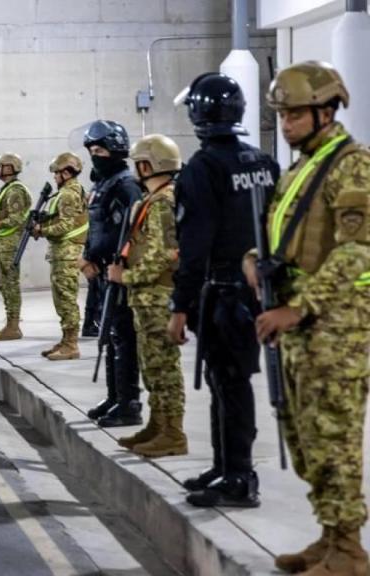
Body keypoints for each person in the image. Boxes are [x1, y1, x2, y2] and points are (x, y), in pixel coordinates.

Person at [243, 61, 370, 575]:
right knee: (307, 439)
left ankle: (350, 550)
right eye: (282, 114)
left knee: (335, 438)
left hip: (335, 328)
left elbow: (359, 253)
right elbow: (291, 237)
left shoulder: (353, 165)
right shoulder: (302, 168)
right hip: (300, 326)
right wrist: (256, 259)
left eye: (294, 114)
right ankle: (329, 534)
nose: (286, 123)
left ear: (326, 109)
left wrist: (299, 306)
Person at [170, 72, 279, 508]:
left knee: (229, 383)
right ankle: (225, 467)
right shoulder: (262, 162)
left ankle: (239, 476)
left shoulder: (202, 168)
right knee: (227, 382)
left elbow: (194, 246)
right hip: (257, 292)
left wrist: (179, 306)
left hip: (221, 293)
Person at [107, 134, 187, 458]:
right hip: (146, 299)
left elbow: (163, 255)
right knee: (152, 367)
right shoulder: (154, 200)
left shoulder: (163, 202)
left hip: (156, 297)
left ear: (146, 164)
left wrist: (125, 277)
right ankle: (158, 425)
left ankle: (173, 433)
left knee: (164, 368)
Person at [79, 120, 143, 428]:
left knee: (123, 337)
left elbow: (133, 231)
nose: (94, 155)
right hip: (102, 269)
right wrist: (87, 256)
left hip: (120, 271)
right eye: (91, 150)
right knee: (109, 335)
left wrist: (118, 264)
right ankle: (114, 396)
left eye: (100, 149)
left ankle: (129, 402)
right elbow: (97, 228)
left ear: (116, 150)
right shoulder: (102, 184)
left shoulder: (125, 184)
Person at [35, 152, 89, 361]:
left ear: (66, 172)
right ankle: (66, 340)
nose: (55, 176)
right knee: (62, 298)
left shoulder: (68, 194)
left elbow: (65, 225)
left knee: (66, 299)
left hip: (67, 253)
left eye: (57, 173)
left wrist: (42, 229)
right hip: (63, 252)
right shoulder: (70, 191)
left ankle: (71, 344)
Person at [0, 153, 32, 341]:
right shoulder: (7, 189)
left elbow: (17, 218)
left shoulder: (15, 191)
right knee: (4, 283)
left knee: (10, 283)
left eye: (0, 166)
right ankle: (10, 324)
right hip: (4, 243)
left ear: (9, 168)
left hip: (10, 244)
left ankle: (13, 326)